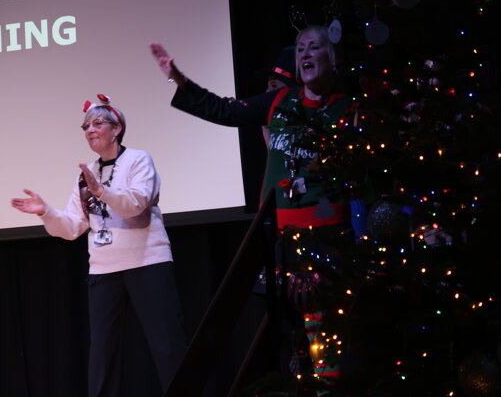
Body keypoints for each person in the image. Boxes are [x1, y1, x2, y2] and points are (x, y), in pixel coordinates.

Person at [149, 25, 359, 389]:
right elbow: (224, 110)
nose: (305, 55)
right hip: (281, 240)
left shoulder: (349, 110)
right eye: (300, 49)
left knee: (328, 331)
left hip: (327, 238)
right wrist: (179, 79)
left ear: (332, 57)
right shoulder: (280, 101)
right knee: (289, 333)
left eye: (314, 48)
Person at [10, 94, 187, 397]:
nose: (90, 130)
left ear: (116, 129)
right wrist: (46, 212)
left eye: (97, 123)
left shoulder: (138, 160)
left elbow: (136, 205)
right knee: (102, 355)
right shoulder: (87, 174)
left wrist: (101, 191)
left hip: (147, 262)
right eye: (86, 126)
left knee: (167, 345)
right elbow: (72, 227)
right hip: (104, 270)